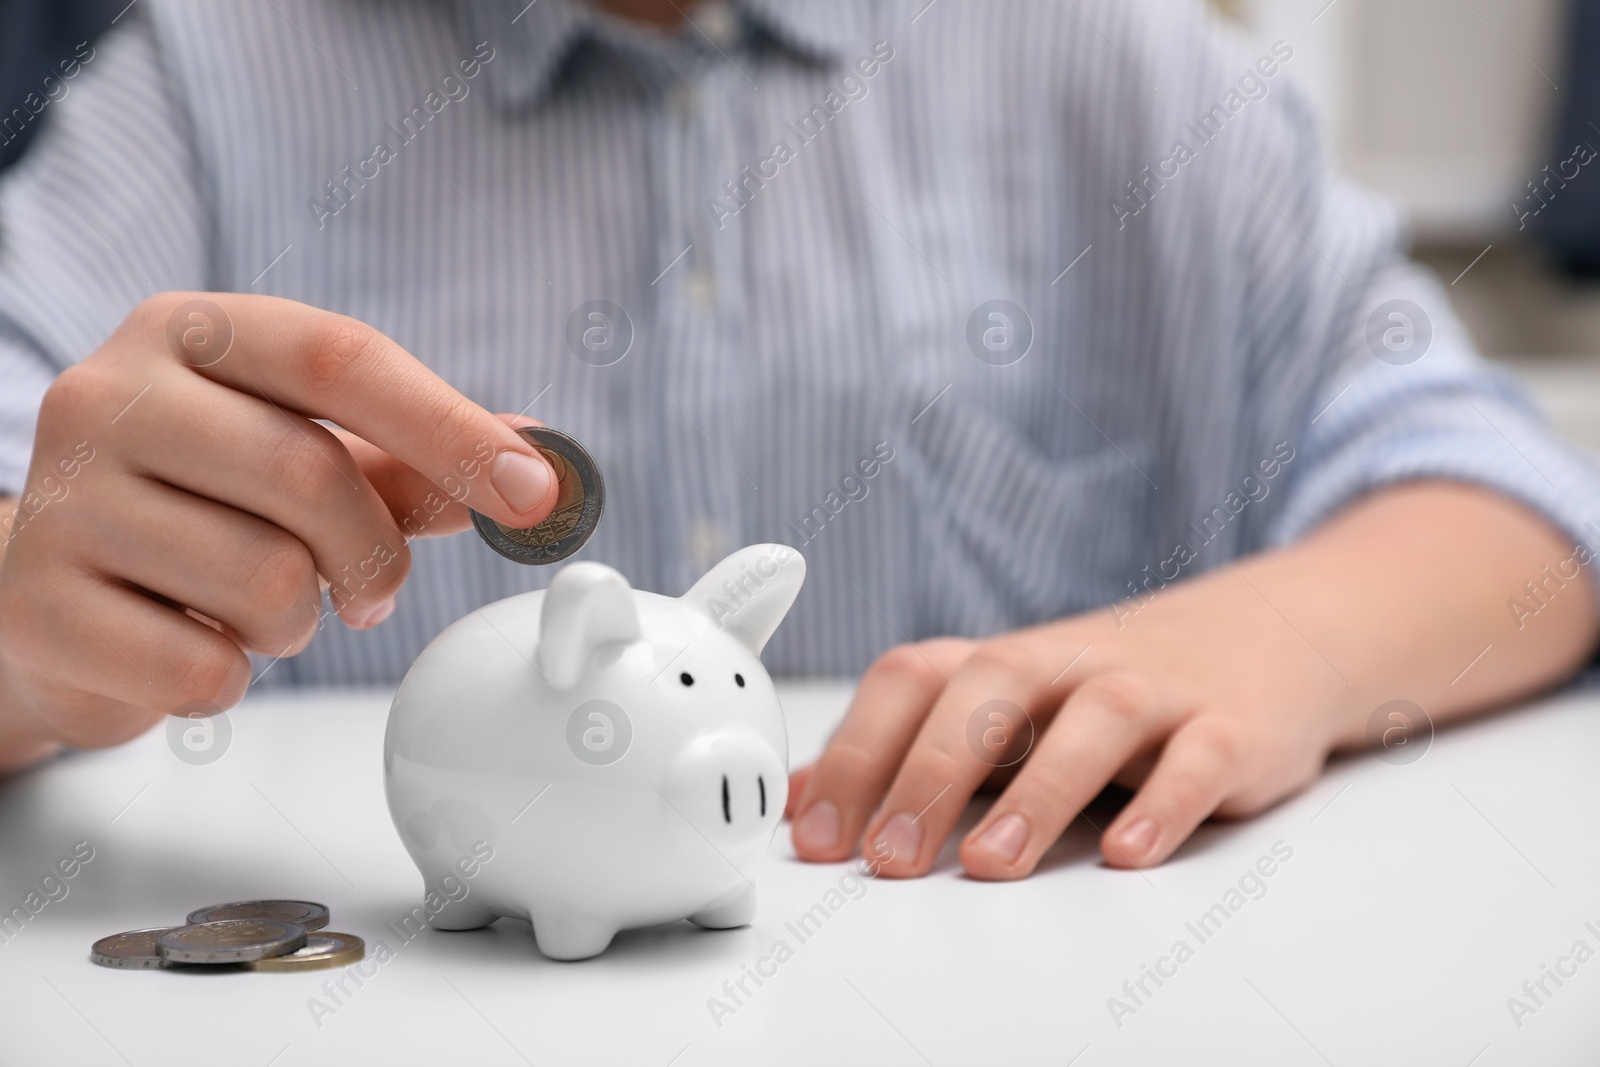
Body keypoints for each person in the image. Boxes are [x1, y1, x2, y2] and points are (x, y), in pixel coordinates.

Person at [0, 0, 1596, 884]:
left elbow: (1519, 508)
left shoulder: (1130, 67)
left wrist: (1282, 643)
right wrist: (27, 618)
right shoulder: (203, 81)